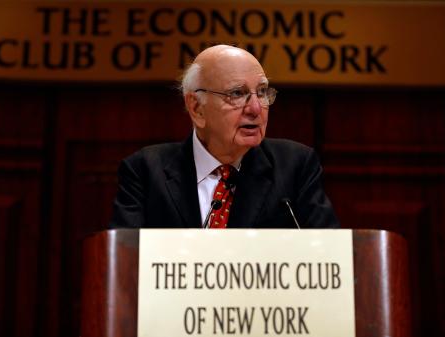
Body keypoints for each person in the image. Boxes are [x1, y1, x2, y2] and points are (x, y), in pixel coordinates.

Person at [110, 44, 339, 229]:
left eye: (262, 92)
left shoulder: (295, 167)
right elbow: (125, 264)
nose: (256, 109)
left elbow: (328, 258)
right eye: (237, 93)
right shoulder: (145, 171)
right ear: (197, 108)